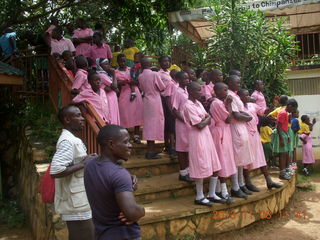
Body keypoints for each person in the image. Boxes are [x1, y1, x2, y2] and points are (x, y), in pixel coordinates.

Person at [84, 125, 145, 240]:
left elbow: (106, 183)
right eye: (126, 142)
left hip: (102, 235)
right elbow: (132, 213)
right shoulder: (119, 174)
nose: (130, 146)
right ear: (111, 144)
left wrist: (128, 180)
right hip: (124, 235)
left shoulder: (89, 165)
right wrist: (141, 211)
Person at [50, 105, 94, 240]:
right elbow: (56, 171)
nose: (82, 119)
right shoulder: (67, 141)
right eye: (78, 115)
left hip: (79, 201)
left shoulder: (72, 139)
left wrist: (85, 160)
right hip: (76, 204)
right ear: (67, 120)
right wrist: (83, 164)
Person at [183, 82, 222, 206]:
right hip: (197, 137)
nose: (201, 93)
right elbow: (199, 125)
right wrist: (206, 120)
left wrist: (205, 120)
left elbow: (208, 117)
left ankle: (211, 193)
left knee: (214, 163)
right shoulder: (187, 105)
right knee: (200, 165)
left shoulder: (198, 103)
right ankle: (199, 196)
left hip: (206, 136)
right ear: (190, 91)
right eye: (198, 91)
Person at [238, 89, 282, 191]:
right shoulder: (238, 107)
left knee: (261, 158)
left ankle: (269, 181)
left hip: (255, 134)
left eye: (248, 95)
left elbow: (264, 112)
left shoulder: (252, 105)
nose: (248, 97)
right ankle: (248, 182)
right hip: (245, 134)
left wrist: (273, 105)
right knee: (246, 160)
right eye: (245, 95)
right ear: (239, 97)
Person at [209, 82, 237, 203]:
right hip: (220, 132)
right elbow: (228, 119)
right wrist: (230, 105)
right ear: (218, 91)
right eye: (225, 90)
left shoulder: (220, 103)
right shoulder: (217, 103)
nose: (227, 92)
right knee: (222, 160)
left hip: (224, 131)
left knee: (224, 160)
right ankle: (223, 191)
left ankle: (219, 190)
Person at [227, 75, 254, 198]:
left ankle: (241, 184)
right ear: (230, 83)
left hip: (241, 128)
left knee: (241, 159)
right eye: (237, 82)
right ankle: (235, 187)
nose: (239, 84)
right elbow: (236, 115)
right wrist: (248, 117)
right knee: (236, 159)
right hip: (235, 128)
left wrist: (246, 116)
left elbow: (241, 111)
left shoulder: (235, 95)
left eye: (239, 82)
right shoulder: (230, 95)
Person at [138, 57, 166, 159]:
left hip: (146, 101)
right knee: (155, 123)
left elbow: (141, 88)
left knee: (149, 124)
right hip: (155, 100)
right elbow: (162, 87)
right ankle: (151, 150)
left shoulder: (140, 76)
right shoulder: (155, 74)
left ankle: (151, 149)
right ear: (150, 64)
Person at [115, 54, 143, 143]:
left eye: (124, 61)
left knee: (137, 113)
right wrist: (121, 83)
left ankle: (136, 136)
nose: (123, 63)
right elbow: (114, 84)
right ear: (117, 62)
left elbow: (138, 81)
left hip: (135, 92)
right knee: (124, 114)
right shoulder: (115, 72)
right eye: (121, 61)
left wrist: (132, 81)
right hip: (123, 93)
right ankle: (126, 136)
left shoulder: (131, 69)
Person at [172, 71, 192, 182]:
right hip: (182, 124)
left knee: (187, 147)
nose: (187, 80)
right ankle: (183, 172)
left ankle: (188, 170)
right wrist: (184, 120)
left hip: (189, 124)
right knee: (181, 148)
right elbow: (174, 110)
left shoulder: (186, 91)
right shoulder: (177, 92)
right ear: (178, 80)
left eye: (188, 78)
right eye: (184, 78)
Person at [272, 98, 298, 180]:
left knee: (285, 153)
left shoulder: (286, 113)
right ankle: (282, 173)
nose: (293, 111)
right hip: (281, 134)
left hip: (284, 133)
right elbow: (278, 127)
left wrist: (288, 136)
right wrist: (281, 139)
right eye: (293, 109)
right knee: (282, 154)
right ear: (289, 106)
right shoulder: (283, 113)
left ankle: (285, 170)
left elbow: (285, 126)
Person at [158, 56, 176, 156]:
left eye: (168, 61)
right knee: (168, 124)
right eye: (164, 61)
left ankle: (172, 145)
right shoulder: (158, 74)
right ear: (160, 63)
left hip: (173, 100)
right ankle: (167, 145)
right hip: (164, 100)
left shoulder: (171, 73)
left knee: (172, 124)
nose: (166, 63)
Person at [96, 58, 120, 125]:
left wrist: (112, 88)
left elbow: (114, 88)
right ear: (100, 65)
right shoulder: (101, 75)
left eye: (108, 64)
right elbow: (115, 86)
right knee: (111, 116)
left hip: (111, 97)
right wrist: (114, 74)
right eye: (105, 64)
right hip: (108, 98)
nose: (108, 66)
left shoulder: (106, 74)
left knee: (113, 114)